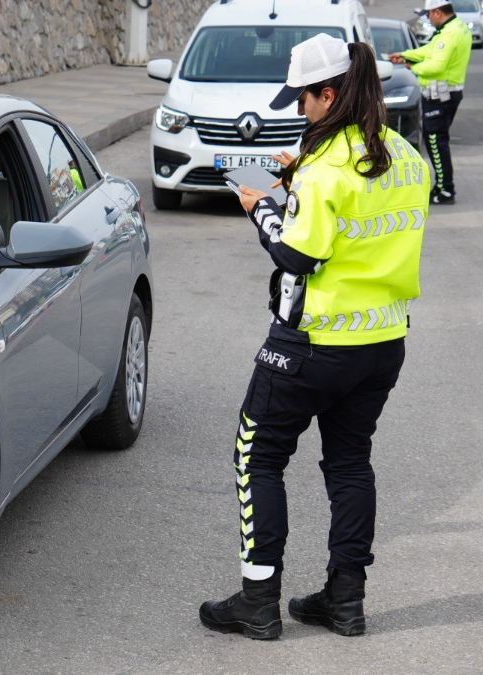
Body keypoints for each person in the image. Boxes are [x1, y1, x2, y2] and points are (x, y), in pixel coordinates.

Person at [198, 34, 429, 639]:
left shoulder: (324, 171)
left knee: (257, 457)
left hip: (311, 344)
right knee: (350, 463)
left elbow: (297, 256)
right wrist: (296, 175)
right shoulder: (405, 155)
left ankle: (258, 601)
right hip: (383, 342)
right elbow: (361, 202)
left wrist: (262, 206)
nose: (299, 109)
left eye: (303, 98)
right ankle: (345, 602)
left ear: (328, 95)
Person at [387, 0, 471, 205]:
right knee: (437, 142)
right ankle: (443, 186)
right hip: (444, 95)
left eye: (428, 14)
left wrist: (411, 67)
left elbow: (435, 66)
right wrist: (405, 55)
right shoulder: (453, 28)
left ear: (437, 12)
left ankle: (445, 190)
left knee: (435, 142)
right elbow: (429, 51)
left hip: (440, 97)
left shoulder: (449, 34)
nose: (428, 19)